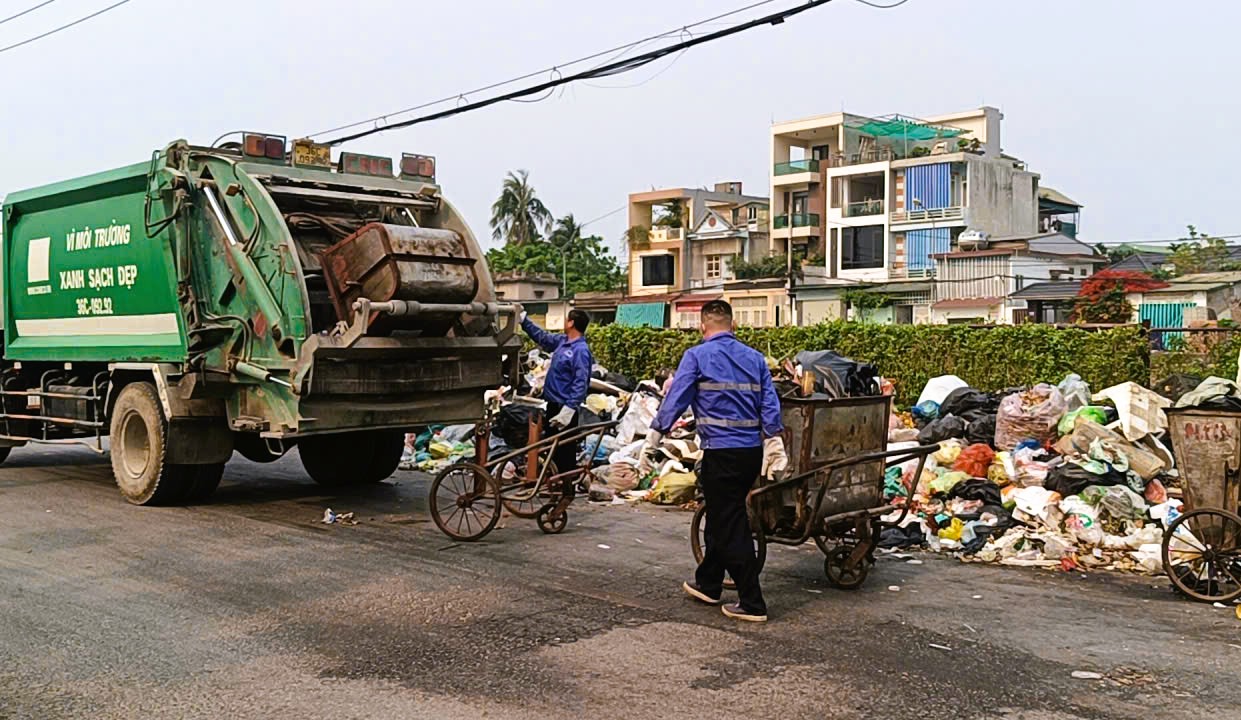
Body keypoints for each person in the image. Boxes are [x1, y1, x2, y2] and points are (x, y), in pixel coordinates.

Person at [643, 300, 785, 623]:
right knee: (723, 514)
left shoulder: (696, 356)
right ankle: (709, 583)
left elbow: (676, 398)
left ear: (702, 327)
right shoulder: (755, 358)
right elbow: (770, 403)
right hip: (750, 453)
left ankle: (752, 602)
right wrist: (774, 441)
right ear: (733, 326)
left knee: (730, 523)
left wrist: (655, 436)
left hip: (720, 453)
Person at [518, 307, 594, 484]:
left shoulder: (580, 350)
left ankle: (566, 488)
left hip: (565, 407)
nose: (564, 322)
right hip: (553, 404)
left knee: (565, 449)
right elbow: (543, 337)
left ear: (571, 323)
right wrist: (524, 321)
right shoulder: (562, 342)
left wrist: (570, 408)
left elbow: (581, 381)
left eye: (567, 319)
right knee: (553, 447)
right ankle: (554, 484)